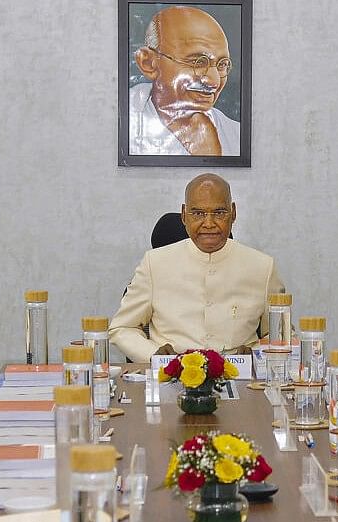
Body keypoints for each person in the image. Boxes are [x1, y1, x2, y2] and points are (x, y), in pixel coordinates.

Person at [110, 173, 284, 362]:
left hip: (240, 380)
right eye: (198, 213)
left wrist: (256, 355)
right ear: (184, 215)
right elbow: (122, 328)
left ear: (233, 213)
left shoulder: (263, 266)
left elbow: (280, 335)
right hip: (172, 378)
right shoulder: (155, 263)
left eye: (219, 213)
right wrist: (154, 355)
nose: (209, 223)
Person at [130, 5, 240, 156]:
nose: (214, 82)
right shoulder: (120, 122)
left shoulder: (236, 136)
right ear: (148, 63)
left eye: (222, 65)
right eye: (198, 62)